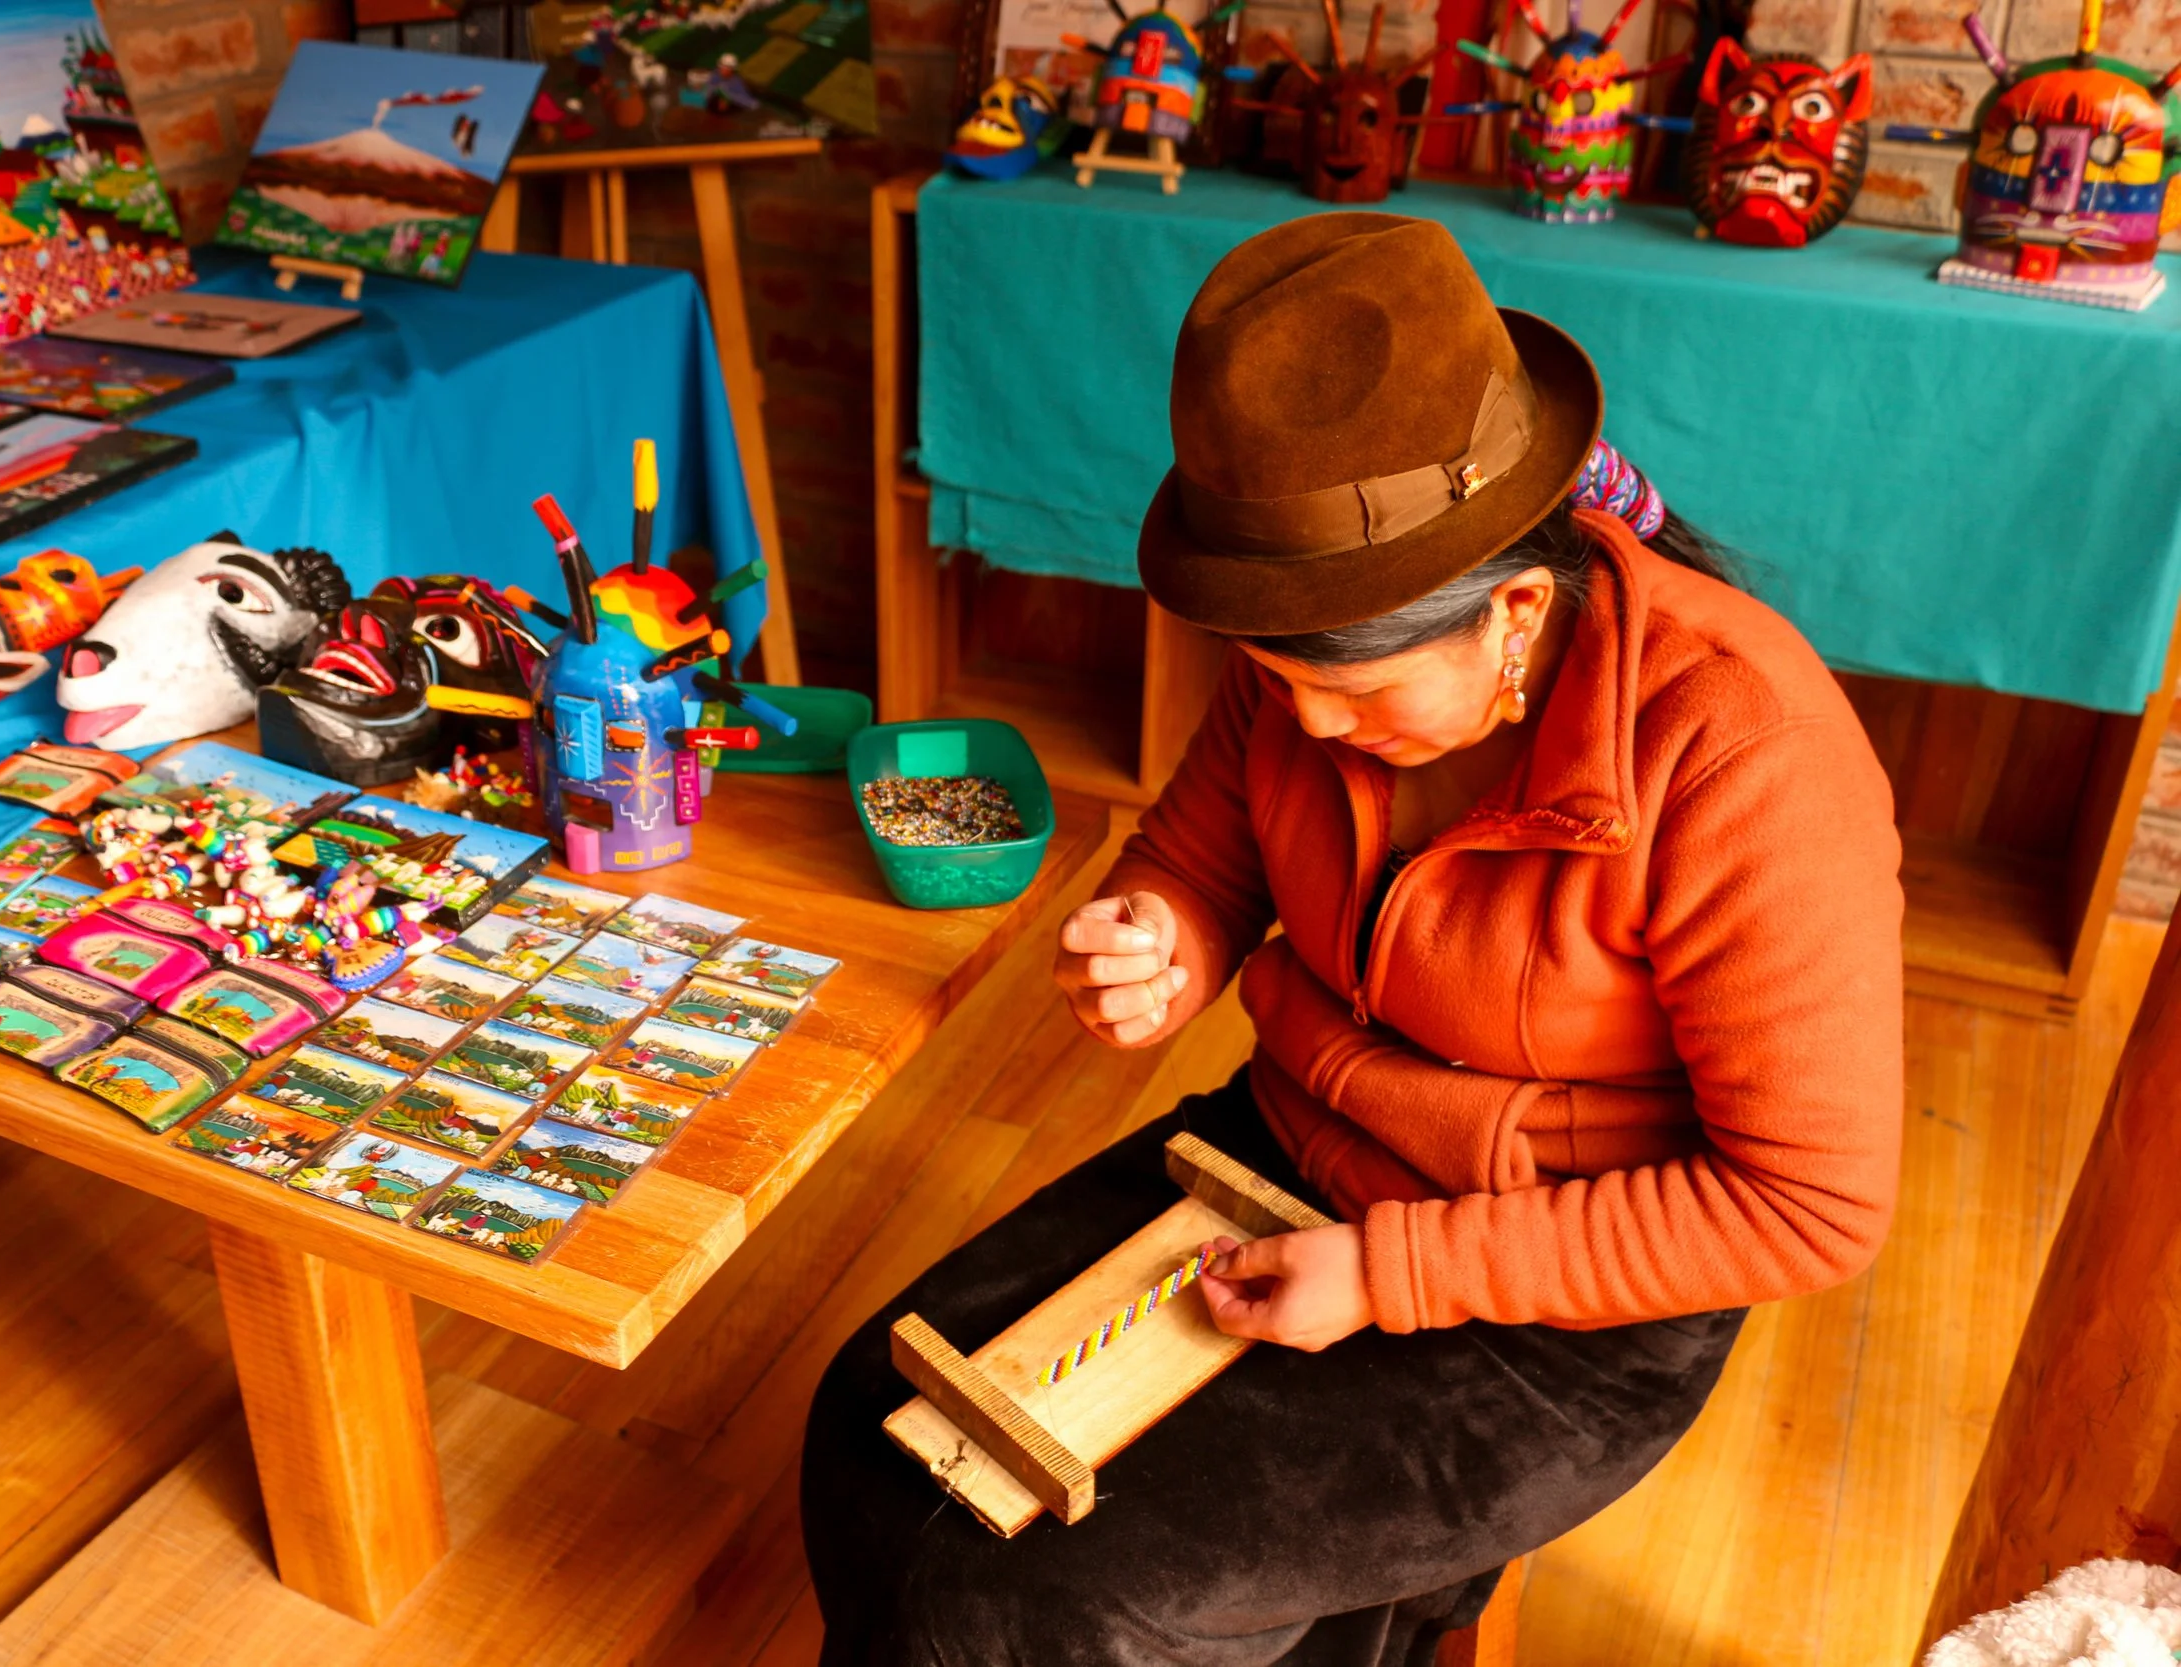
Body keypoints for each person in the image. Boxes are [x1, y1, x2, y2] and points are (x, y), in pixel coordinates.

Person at [800, 214, 1904, 1665]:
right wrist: (1164, 940)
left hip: (1567, 1297)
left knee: (1044, 1600)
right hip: (1281, 1158)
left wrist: (1393, 1275)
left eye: (1352, 693)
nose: (1308, 722)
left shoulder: (1742, 751)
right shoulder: (1320, 659)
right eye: (1271, 673)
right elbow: (1201, 855)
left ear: (1515, 612)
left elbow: (1806, 1207)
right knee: (864, 1436)